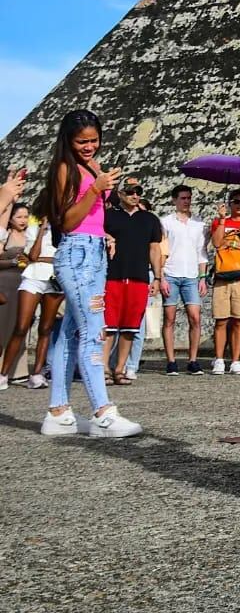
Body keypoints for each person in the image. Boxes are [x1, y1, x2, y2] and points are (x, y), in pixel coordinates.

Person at [41, 109, 142, 438]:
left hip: (94, 252)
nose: (89, 146)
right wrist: (96, 189)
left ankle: (58, 412)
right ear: (68, 140)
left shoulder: (90, 167)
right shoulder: (63, 169)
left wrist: (104, 234)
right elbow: (67, 221)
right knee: (93, 331)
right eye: (81, 141)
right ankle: (103, 412)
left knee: (72, 333)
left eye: (94, 140)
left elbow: (92, 218)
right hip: (77, 254)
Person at [102, 177, 164, 384]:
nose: (135, 195)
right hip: (112, 276)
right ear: (120, 194)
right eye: (129, 191)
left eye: (138, 191)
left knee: (130, 327)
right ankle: (103, 368)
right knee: (109, 326)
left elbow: (154, 249)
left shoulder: (150, 219)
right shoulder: (108, 216)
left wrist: (157, 276)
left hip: (139, 277)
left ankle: (120, 369)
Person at [1, 192, 61, 389]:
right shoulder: (34, 228)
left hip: (54, 280)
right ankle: (3, 374)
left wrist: (43, 258)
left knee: (46, 328)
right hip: (33, 278)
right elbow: (32, 256)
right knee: (21, 326)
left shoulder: (64, 230)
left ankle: (37, 374)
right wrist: (43, 229)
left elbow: (61, 258)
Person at [209, 189, 240, 375]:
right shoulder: (219, 222)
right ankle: (220, 359)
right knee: (221, 320)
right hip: (223, 275)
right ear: (230, 203)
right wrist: (222, 220)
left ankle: (236, 360)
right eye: (236, 202)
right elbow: (216, 243)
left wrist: (231, 243)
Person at [160, 185, 209, 375]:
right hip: (171, 273)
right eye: (182, 198)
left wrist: (202, 277)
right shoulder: (165, 222)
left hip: (191, 275)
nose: (186, 201)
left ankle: (193, 360)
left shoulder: (198, 223)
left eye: (188, 198)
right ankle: (171, 361)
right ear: (174, 200)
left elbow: (201, 252)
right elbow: (161, 250)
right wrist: (161, 276)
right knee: (169, 318)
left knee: (195, 317)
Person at [0, 191, 30, 388]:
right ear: (10, 219)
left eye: (26, 216)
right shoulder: (5, 236)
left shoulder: (32, 235)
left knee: (20, 327)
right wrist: (12, 261)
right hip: (5, 282)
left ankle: (16, 371)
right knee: (3, 326)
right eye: (19, 216)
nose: (23, 220)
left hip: (24, 282)